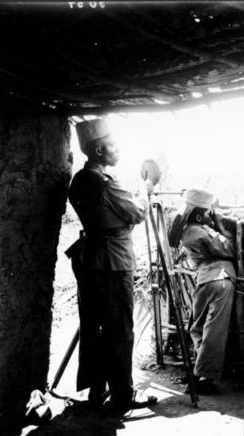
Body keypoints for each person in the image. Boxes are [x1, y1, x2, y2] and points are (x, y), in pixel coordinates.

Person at [67, 118, 157, 413]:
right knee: (120, 329)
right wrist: (145, 187)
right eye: (113, 146)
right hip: (114, 263)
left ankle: (97, 391)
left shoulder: (79, 180)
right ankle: (122, 396)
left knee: (95, 326)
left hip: (90, 260)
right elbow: (137, 212)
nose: (118, 150)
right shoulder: (106, 183)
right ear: (98, 151)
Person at [171, 188, 236, 394]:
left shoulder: (185, 231)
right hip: (221, 279)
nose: (210, 215)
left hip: (203, 281)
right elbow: (230, 249)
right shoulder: (203, 232)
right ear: (199, 215)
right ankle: (205, 377)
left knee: (197, 328)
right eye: (208, 212)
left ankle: (198, 372)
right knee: (215, 329)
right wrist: (218, 224)